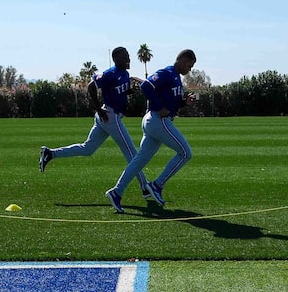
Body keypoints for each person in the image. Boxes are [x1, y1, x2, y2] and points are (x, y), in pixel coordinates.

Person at [40, 47, 153, 200]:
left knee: (87, 149)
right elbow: (91, 86)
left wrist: (129, 92)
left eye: (128, 56)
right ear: (116, 59)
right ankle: (145, 187)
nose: (128, 59)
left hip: (109, 116)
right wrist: (98, 108)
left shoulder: (125, 74)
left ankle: (50, 153)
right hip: (109, 115)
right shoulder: (110, 73)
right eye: (125, 57)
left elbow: (119, 91)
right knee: (132, 153)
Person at [106, 49, 197, 214]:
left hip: (155, 121)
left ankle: (116, 192)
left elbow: (171, 102)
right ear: (183, 61)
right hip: (157, 120)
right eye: (189, 66)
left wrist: (185, 102)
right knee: (185, 153)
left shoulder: (175, 77)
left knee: (138, 161)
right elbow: (146, 85)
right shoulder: (168, 72)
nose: (189, 69)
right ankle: (156, 185)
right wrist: (159, 105)